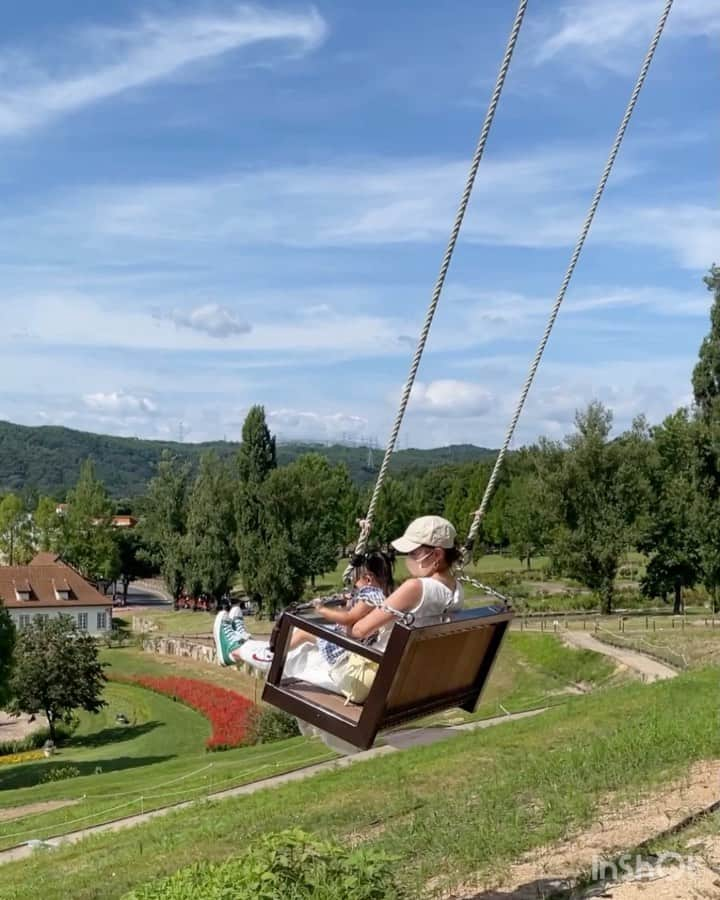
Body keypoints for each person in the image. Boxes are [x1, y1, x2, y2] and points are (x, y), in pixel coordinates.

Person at [213, 552, 393, 672]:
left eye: (356, 581)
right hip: (352, 644)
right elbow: (355, 615)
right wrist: (348, 601)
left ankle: (271, 653)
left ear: (368, 579)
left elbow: (348, 618)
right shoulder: (383, 595)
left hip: (344, 647)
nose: (354, 585)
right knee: (304, 639)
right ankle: (243, 645)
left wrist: (322, 610)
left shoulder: (370, 594)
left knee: (303, 631)